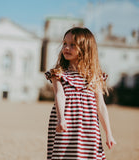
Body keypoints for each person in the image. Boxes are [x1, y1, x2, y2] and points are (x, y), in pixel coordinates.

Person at [45, 27, 116, 160]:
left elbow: (100, 105)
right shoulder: (58, 73)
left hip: (89, 127)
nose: (66, 47)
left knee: (87, 155)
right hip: (66, 124)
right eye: (65, 43)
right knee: (65, 155)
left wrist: (109, 134)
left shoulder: (95, 76)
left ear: (85, 49)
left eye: (72, 45)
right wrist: (61, 119)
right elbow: (59, 95)